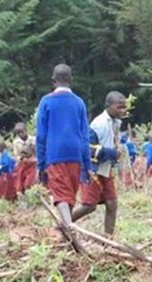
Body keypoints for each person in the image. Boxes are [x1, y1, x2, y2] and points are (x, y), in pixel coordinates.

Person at [36, 64, 92, 231]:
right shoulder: (79, 103)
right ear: (71, 80)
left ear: (53, 81)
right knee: (69, 195)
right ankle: (68, 233)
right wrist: (87, 164)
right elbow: (85, 136)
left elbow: (41, 136)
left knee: (60, 194)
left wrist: (40, 163)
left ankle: (69, 228)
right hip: (75, 154)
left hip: (55, 153)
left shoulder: (46, 102)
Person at [72, 92, 127, 236]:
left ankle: (109, 239)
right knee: (89, 206)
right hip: (93, 169)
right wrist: (112, 153)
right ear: (108, 106)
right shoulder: (99, 124)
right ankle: (63, 224)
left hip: (106, 169)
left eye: (124, 107)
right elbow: (88, 149)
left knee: (112, 203)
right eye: (119, 107)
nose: (122, 110)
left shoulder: (116, 122)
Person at [13, 123, 37, 194]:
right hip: (23, 164)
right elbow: (16, 155)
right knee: (20, 182)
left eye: (21, 132)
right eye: (18, 133)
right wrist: (21, 158)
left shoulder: (33, 139)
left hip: (34, 163)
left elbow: (38, 151)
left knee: (30, 182)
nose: (20, 134)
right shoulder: (16, 142)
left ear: (25, 131)